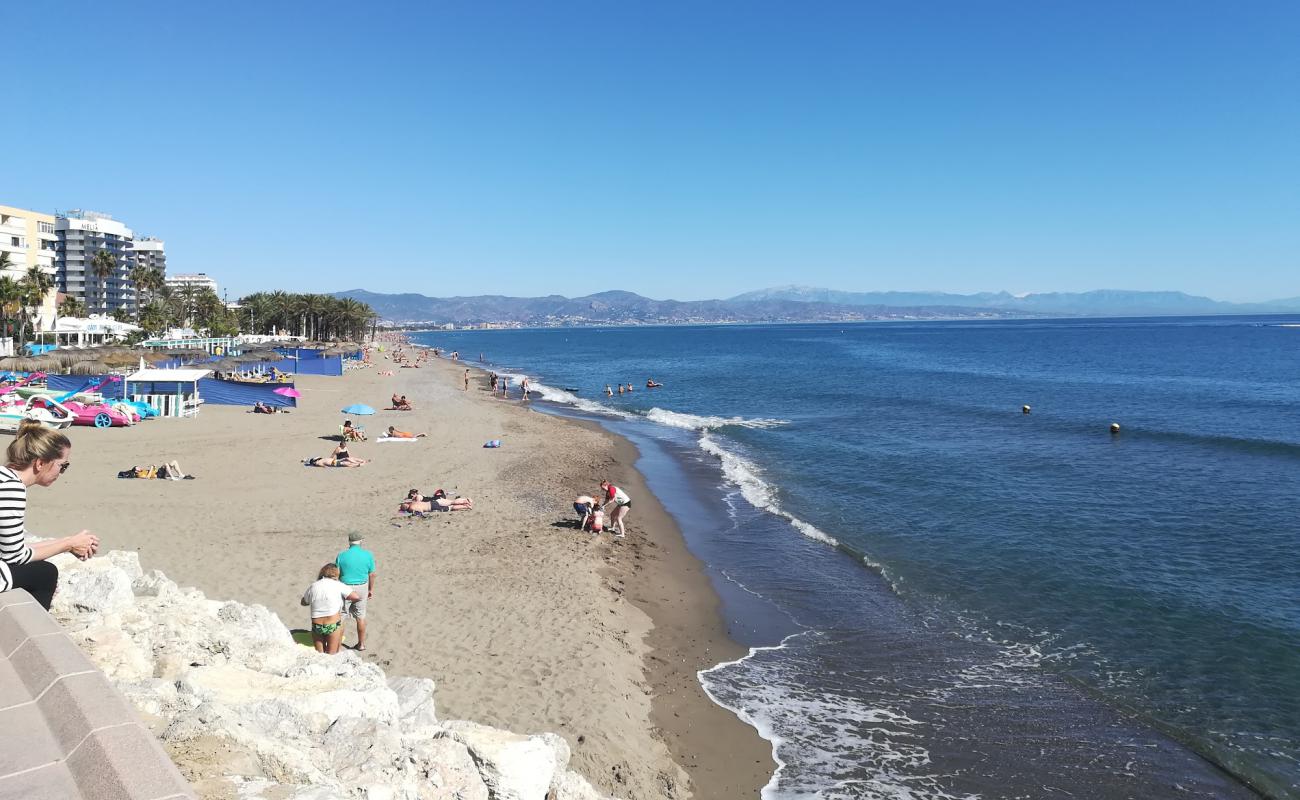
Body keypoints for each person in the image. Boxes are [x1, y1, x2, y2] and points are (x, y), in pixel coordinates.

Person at [0, 421, 99, 609]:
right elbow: (15, 557)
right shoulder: (12, 489)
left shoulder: (4, 477)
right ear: (40, 463)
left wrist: (69, 541)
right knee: (45, 573)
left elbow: (12, 548)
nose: (61, 472)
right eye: (63, 465)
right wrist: (68, 544)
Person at [300, 563, 360, 654]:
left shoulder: (314, 586)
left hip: (317, 625)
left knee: (320, 655)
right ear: (336, 574)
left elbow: (303, 602)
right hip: (332, 624)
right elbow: (356, 597)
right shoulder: (338, 585)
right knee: (331, 654)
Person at [336, 532, 377, 652]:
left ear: (349, 542)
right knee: (360, 616)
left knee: (342, 616)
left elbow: (336, 573)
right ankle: (361, 644)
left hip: (345, 586)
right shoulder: (368, 555)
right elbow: (372, 574)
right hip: (361, 586)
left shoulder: (341, 555)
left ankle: (337, 645)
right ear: (361, 541)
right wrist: (370, 589)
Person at [399, 489, 474, 512]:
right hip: (434, 501)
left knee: (451, 505)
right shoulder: (415, 501)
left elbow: (419, 509)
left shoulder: (417, 499)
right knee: (451, 502)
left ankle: (466, 504)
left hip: (433, 504)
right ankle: (466, 502)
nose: (411, 497)